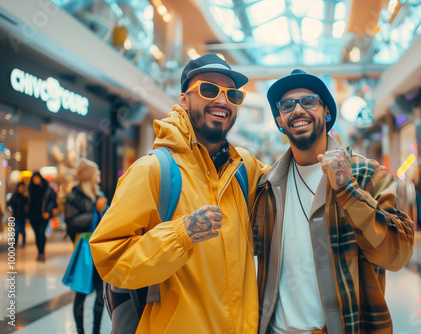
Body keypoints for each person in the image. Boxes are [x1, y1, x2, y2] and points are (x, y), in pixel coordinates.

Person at [89, 53, 268, 333]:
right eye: (209, 90)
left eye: (232, 95)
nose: (222, 101)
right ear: (184, 100)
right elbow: (110, 259)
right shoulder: (153, 170)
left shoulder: (244, 168)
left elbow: (295, 178)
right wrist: (181, 234)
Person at [251, 69, 415, 333]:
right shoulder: (267, 186)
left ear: (326, 112)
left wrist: (347, 190)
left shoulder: (369, 176)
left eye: (309, 101)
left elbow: (398, 254)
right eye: (287, 105)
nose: (298, 110)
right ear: (280, 120)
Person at [64, 158, 108, 334]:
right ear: (89, 175)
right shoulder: (74, 196)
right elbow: (71, 222)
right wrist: (95, 211)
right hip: (83, 251)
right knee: (81, 292)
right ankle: (80, 330)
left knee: (101, 292)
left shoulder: (99, 194)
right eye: (96, 171)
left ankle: (96, 330)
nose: (99, 174)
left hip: (99, 249)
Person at [28, 171, 57, 262]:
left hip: (44, 215)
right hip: (33, 215)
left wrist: (48, 211)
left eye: (37, 178)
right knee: (37, 235)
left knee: (41, 233)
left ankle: (42, 253)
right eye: (34, 178)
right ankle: (39, 252)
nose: (36, 180)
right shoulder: (30, 189)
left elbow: (53, 202)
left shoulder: (47, 188)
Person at [8, 182, 29, 247]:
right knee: (16, 230)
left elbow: (27, 205)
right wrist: (11, 211)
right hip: (16, 215)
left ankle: (23, 242)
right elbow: (9, 204)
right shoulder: (14, 196)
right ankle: (15, 242)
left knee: (22, 230)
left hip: (22, 216)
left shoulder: (24, 197)